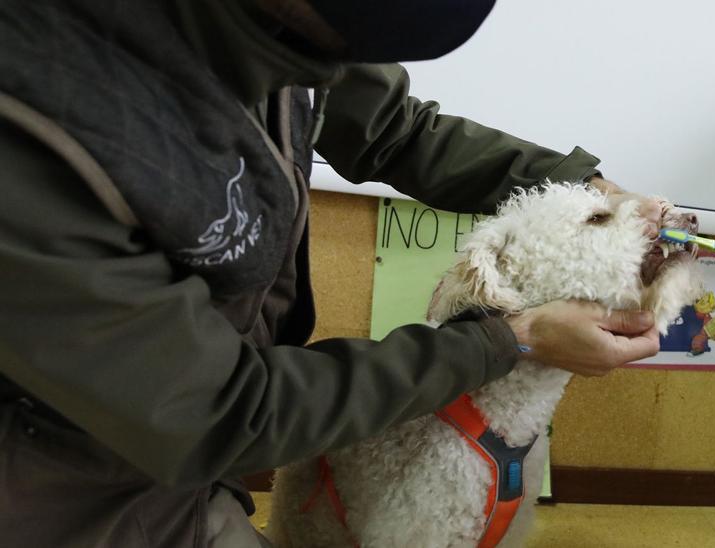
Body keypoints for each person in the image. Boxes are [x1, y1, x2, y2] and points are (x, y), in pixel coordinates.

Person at [0, 0, 663, 545]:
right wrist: (508, 339)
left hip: (193, 467)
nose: (334, 75)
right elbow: (219, 412)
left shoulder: (289, 31)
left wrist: (577, 184)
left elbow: (392, 128)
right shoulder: (35, 129)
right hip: (67, 492)